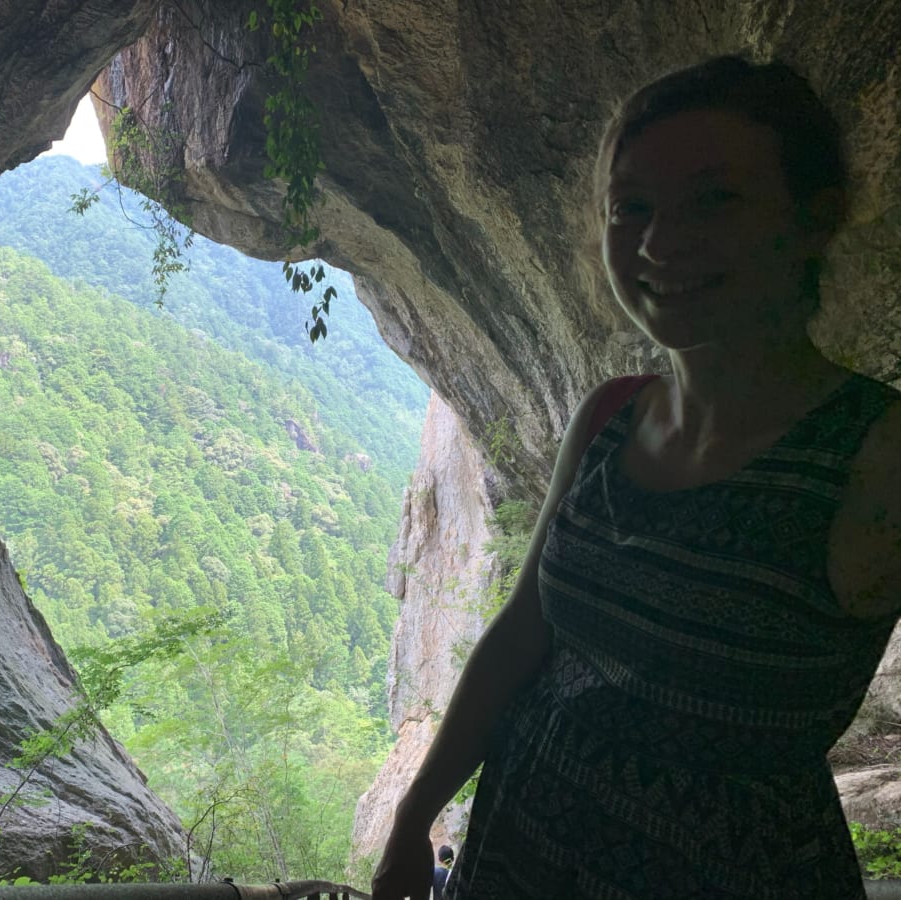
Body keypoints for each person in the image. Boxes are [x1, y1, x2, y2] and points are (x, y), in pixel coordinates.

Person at [370, 55, 901, 899]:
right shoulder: (611, 416)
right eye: (633, 209)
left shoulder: (874, 454)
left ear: (814, 217)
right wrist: (414, 817)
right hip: (515, 854)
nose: (659, 241)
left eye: (715, 199)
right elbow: (521, 637)